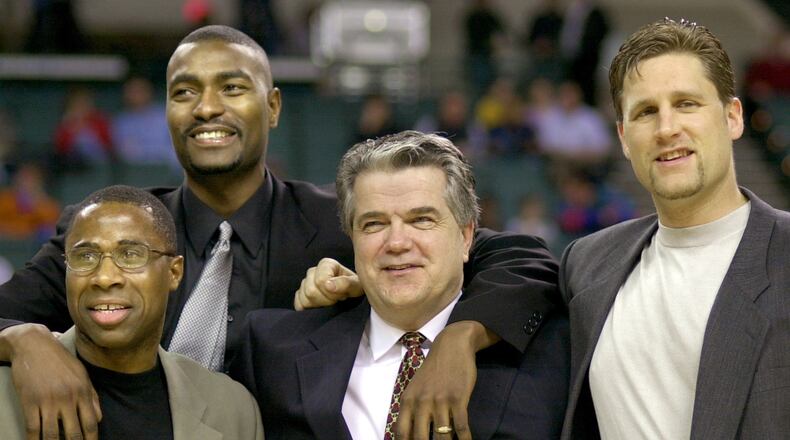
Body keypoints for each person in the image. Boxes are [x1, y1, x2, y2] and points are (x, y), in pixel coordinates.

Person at [0, 25, 560, 439]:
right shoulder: (115, 234)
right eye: (185, 92)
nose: (207, 108)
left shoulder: (346, 227)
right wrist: (24, 339)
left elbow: (520, 260)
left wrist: (461, 338)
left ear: (272, 107)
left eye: (232, 88)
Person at [233, 131, 569, 439]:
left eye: (421, 220)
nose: (396, 242)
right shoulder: (271, 351)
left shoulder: (554, 352)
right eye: (374, 223)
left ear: (467, 236)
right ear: (352, 239)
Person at [560, 18, 790, 439]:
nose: (667, 129)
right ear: (625, 138)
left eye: (686, 103)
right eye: (647, 112)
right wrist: (461, 340)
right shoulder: (586, 264)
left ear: (733, 117)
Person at [0, 185, 263, 439]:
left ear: (174, 272)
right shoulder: (6, 389)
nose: (104, 277)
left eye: (130, 255)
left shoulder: (234, 410)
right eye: (85, 256)